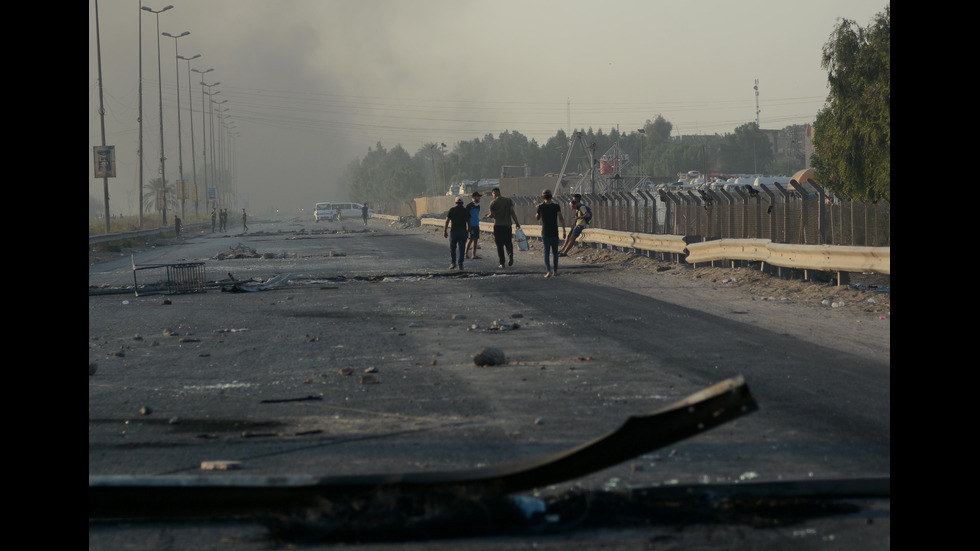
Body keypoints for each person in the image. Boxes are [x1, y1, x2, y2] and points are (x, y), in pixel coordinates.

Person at [484, 187, 521, 268]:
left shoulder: (493, 203)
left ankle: (502, 263)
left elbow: (492, 214)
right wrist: (517, 222)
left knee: (499, 245)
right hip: (507, 226)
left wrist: (487, 216)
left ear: (494, 193)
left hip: (498, 226)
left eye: (492, 194)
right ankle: (510, 254)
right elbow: (512, 212)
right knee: (508, 243)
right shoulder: (508, 201)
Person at [535, 189, 566, 277]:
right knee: (555, 252)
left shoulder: (540, 207)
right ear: (551, 196)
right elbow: (561, 218)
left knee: (546, 252)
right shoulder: (556, 206)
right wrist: (564, 230)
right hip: (554, 232)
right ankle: (555, 271)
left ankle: (548, 271)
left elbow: (537, 218)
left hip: (545, 232)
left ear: (542, 197)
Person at [443, 196, 471, 270]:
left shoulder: (452, 210)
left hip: (454, 232)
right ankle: (460, 264)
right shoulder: (466, 211)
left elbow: (447, 221)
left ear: (455, 203)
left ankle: (453, 263)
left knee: (453, 248)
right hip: (463, 232)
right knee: (462, 248)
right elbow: (469, 222)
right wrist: (468, 231)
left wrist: (445, 231)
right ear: (462, 203)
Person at [464, 191, 482, 259]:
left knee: (476, 239)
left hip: (476, 225)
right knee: (471, 239)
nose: (479, 198)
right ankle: (466, 254)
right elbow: (466, 216)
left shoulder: (478, 206)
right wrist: (467, 225)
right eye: (478, 197)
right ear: (474, 197)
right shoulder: (469, 206)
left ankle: (474, 255)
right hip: (470, 225)